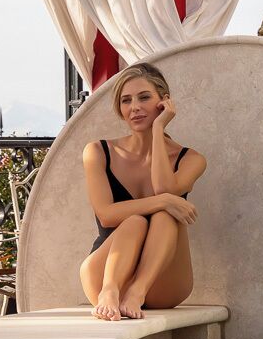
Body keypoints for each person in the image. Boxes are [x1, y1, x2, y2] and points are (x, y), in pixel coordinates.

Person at [79, 63, 208, 320]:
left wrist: (158, 129)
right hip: (104, 276)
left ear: (164, 102)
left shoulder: (191, 159)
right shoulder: (98, 152)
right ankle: (111, 290)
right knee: (137, 221)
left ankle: (137, 291)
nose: (134, 107)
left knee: (166, 214)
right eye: (126, 100)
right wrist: (163, 201)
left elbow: (164, 189)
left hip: (162, 284)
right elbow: (106, 215)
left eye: (144, 97)